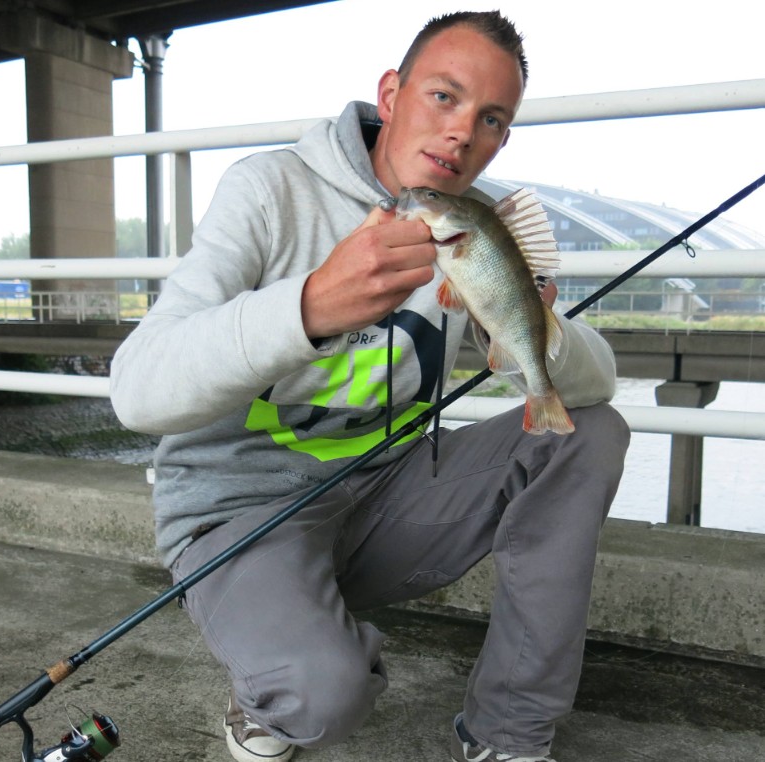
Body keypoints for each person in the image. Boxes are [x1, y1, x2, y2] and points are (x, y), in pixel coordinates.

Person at [110, 10, 629, 762]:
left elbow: (598, 383)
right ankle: (278, 665)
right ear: (390, 95)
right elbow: (136, 390)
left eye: (490, 119)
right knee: (321, 696)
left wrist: (532, 327)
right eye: (443, 97)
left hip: (384, 496)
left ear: (501, 139)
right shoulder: (269, 188)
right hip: (240, 511)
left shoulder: (479, 224)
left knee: (591, 434)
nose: (462, 132)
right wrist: (310, 305)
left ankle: (508, 733)